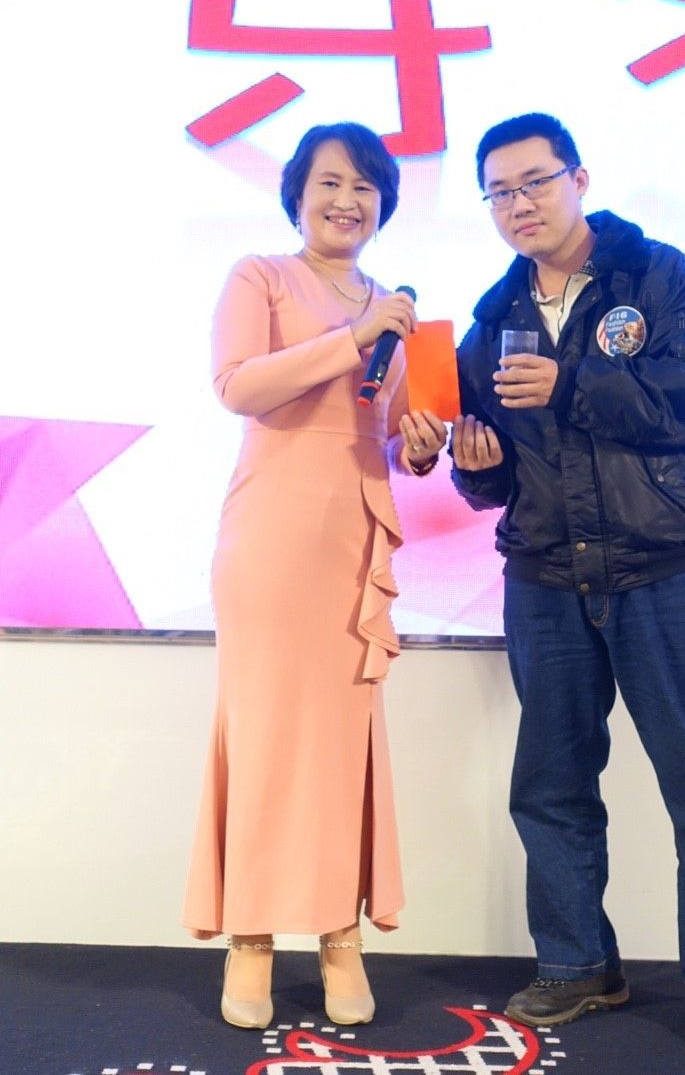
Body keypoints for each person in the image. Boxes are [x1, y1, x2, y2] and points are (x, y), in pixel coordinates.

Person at [450, 112, 685, 1060]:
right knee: (550, 785)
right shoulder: (489, 320)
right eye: (499, 192)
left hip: (659, 568)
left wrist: (571, 382)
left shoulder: (663, 279)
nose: (519, 204)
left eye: (535, 181)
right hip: (545, 578)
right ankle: (578, 962)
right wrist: (471, 464)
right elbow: (495, 476)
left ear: (578, 178)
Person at [182, 121, 447, 1030]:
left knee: (342, 742)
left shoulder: (396, 308)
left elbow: (396, 430)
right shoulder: (258, 276)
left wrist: (422, 447)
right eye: (330, 182)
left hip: (353, 541)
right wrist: (354, 335)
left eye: (365, 186)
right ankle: (251, 937)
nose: (347, 200)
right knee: (262, 733)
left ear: (385, 204)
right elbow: (238, 387)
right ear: (297, 193)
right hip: (270, 535)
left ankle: (340, 934)